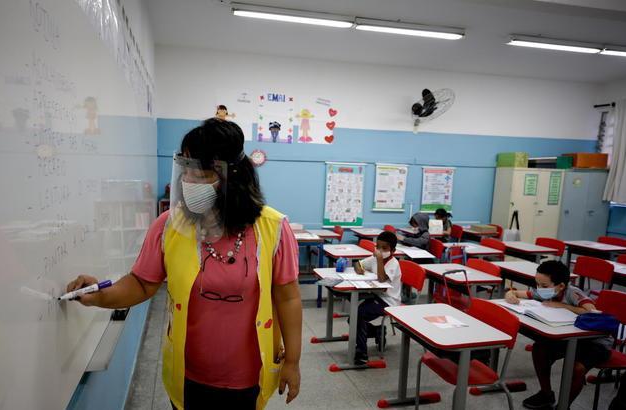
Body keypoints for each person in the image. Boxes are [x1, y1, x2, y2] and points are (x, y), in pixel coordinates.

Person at [65, 119, 302, 410]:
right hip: (188, 374)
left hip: (249, 375)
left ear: (231, 175)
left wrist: (292, 361)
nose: (188, 179)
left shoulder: (273, 228)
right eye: (185, 168)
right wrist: (100, 295)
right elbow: (141, 283)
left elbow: (288, 297)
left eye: (199, 171)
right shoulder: (170, 226)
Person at [505, 260, 612, 410]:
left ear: (561, 286)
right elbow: (518, 292)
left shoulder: (573, 293)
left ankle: (563, 406)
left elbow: (591, 312)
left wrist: (563, 306)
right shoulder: (547, 290)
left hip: (595, 342)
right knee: (539, 349)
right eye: (537, 284)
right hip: (568, 337)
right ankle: (546, 394)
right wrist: (511, 294)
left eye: (543, 286)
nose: (539, 289)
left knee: (577, 369)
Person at [351, 231, 402, 365]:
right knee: (353, 318)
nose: (380, 251)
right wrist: (359, 268)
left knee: (359, 315)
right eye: (378, 247)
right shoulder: (374, 258)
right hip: (377, 295)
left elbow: (381, 278)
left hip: (389, 301)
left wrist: (379, 259)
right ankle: (378, 331)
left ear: (393, 250)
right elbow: (358, 263)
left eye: (384, 248)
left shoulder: (393, 263)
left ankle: (361, 352)